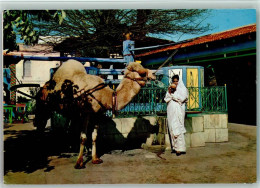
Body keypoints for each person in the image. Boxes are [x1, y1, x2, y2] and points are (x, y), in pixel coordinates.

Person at [164, 75, 188, 156]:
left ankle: (180, 148)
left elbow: (182, 98)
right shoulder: (170, 89)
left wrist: (173, 96)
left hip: (179, 111)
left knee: (178, 128)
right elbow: (166, 98)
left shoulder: (183, 89)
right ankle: (174, 147)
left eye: (176, 81)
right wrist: (170, 93)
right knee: (172, 128)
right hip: (171, 111)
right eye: (174, 81)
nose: (175, 83)